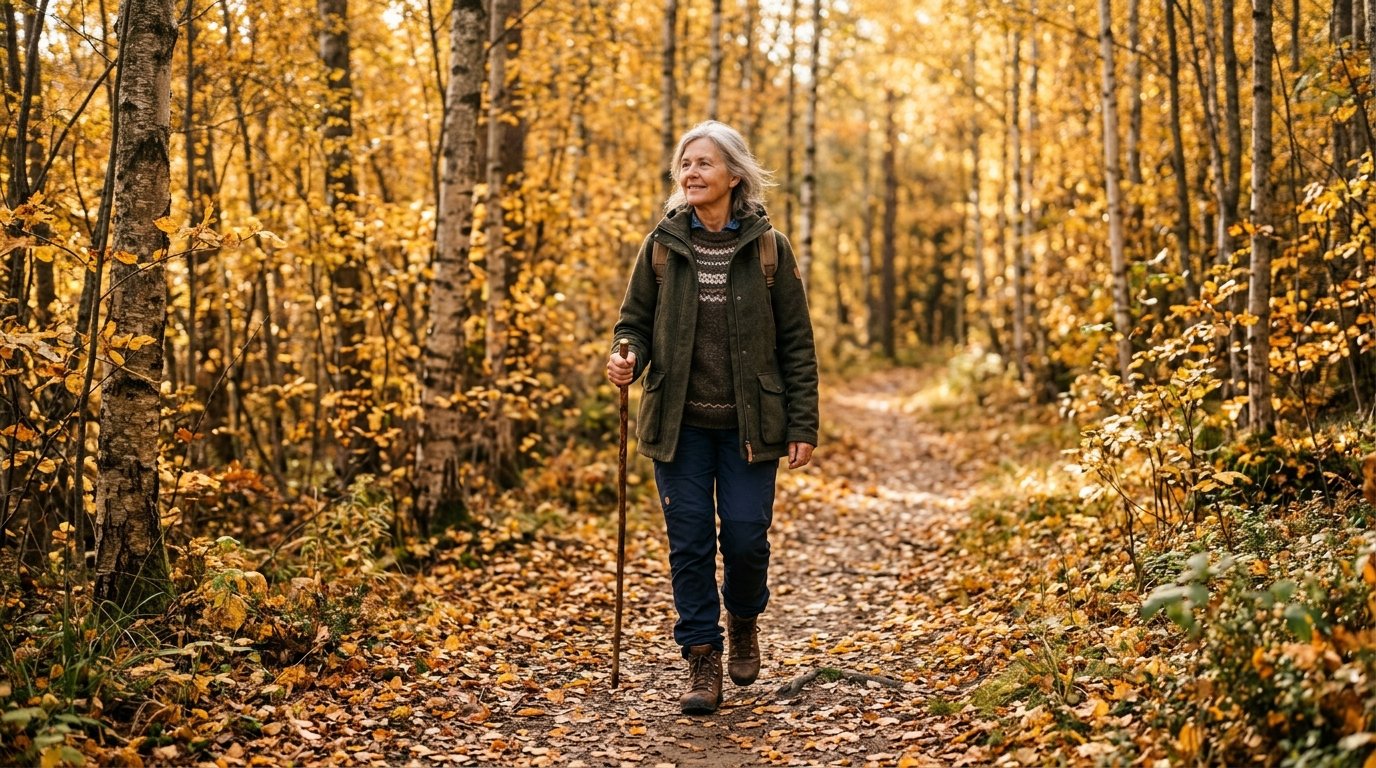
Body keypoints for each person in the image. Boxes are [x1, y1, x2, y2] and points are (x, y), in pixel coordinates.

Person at [606, 120, 819, 715]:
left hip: (752, 427)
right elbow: (633, 323)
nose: (691, 173)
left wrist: (803, 424)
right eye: (685, 164)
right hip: (679, 427)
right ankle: (702, 655)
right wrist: (626, 355)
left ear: (734, 176)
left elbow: (797, 343)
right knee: (690, 542)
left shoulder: (769, 248)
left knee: (747, 538)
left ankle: (744, 617)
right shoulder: (660, 246)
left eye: (704, 163)